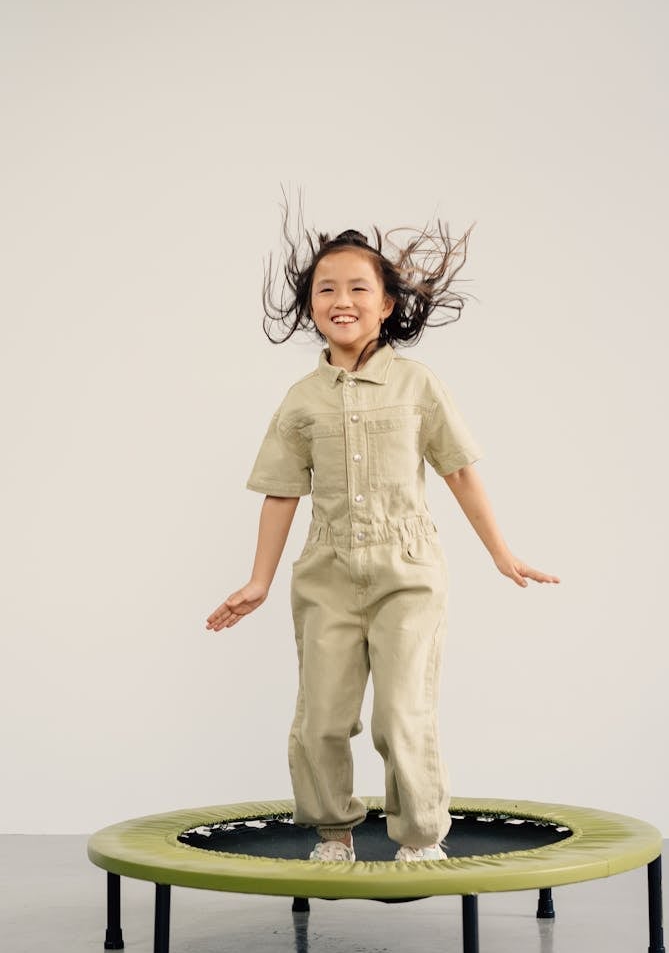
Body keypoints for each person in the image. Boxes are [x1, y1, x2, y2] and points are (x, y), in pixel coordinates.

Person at [206, 217, 559, 864]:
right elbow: (281, 492)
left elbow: (459, 471)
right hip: (327, 573)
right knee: (321, 718)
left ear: (388, 303)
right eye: (326, 290)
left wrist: (502, 554)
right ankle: (333, 835)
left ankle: (420, 839)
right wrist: (258, 580)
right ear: (310, 306)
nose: (341, 301)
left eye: (358, 288)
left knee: (402, 715)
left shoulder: (418, 385)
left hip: (408, 572)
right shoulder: (301, 400)